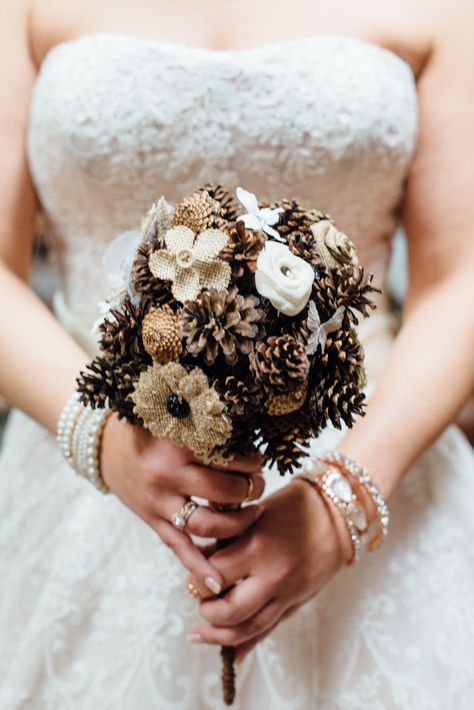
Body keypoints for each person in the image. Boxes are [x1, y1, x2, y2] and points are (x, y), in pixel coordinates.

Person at [0, 0, 473, 707]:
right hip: (84, 471)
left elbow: (459, 279)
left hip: (370, 457)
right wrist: (104, 441)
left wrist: (336, 510)